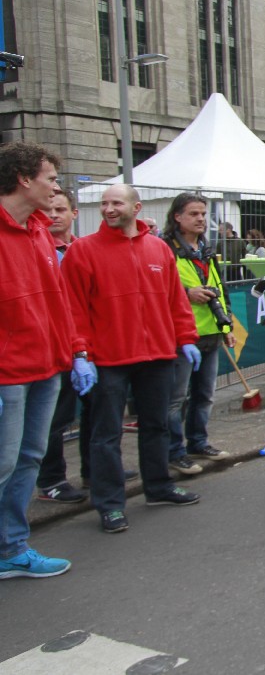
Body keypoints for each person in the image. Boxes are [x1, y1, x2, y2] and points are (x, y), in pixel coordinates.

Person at [61, 184, 201, 534]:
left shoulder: (158, 249)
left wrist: (185, 338)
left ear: (135, 208)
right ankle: (109, 504)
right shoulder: (83, 251)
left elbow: (175, 301)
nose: (108, 209)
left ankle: (158, 486)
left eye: (116, 203)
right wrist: (81, 353)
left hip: (157, 355)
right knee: (106, 434)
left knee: (156, 425)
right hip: (109, 359)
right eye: (104, 203)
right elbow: (73, 309)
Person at [0, 143, 91, 579]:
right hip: (7, 374)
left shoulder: (38, 231)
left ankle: (11, 548)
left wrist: (76, 352)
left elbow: (59, 303)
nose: (56, 188)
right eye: (50, 179)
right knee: (3, 464)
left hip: (45, 367)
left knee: (28, 459)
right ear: (23, 178)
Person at [163, 193, 235, 477]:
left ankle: (198, 443)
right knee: (176, 399)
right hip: (181, 336)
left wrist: (226, 327)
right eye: (194, 214)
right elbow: (157, 289)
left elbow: (221, 288)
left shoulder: (206, 248)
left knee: (204, 395)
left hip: (210, 333)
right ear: (177, 216)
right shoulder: (165, 249)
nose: (201, 219)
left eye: (203, 214)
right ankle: (174, 452)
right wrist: (186, 293)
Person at [35, 189, 91, 505]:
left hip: (85, 345)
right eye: (49, 210)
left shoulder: (81, 249)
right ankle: (51, 480)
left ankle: (93, 470)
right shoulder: (38, 248)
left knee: (94, 410)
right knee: (56, 419)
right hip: (54, 346)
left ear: (74, 213)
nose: (54, 215)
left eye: (60, 209)